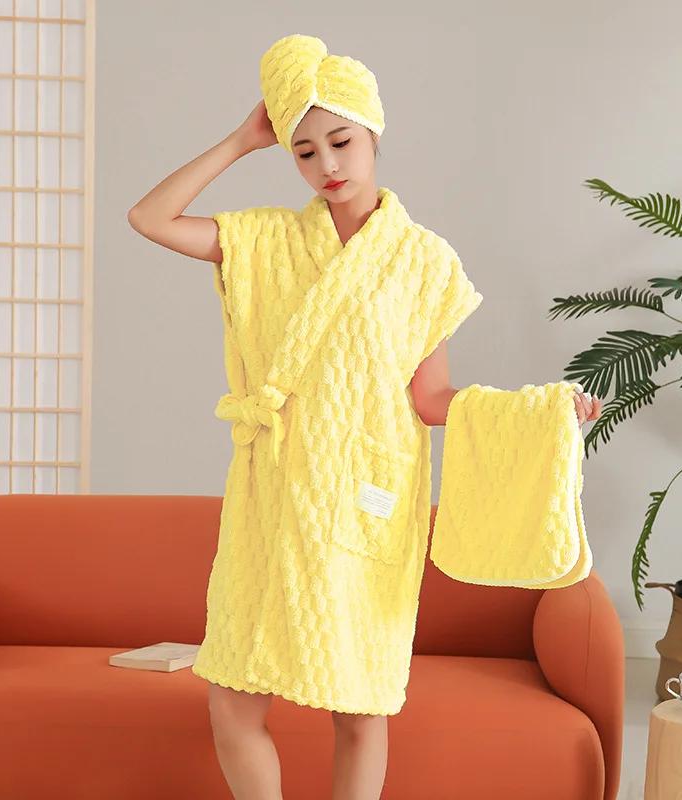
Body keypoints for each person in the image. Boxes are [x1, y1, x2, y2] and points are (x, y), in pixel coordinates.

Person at [128, 33, 602, 800]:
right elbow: (150, 217)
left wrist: (544, 416)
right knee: (233, 698)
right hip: (272, 501)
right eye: (305, 151)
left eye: (342, 141)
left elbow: (430, 399)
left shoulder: (425, 263)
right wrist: (243, 140)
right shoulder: (267, 241)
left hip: (367, 501)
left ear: (374, 132)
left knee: (360, 705)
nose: (328, 164)